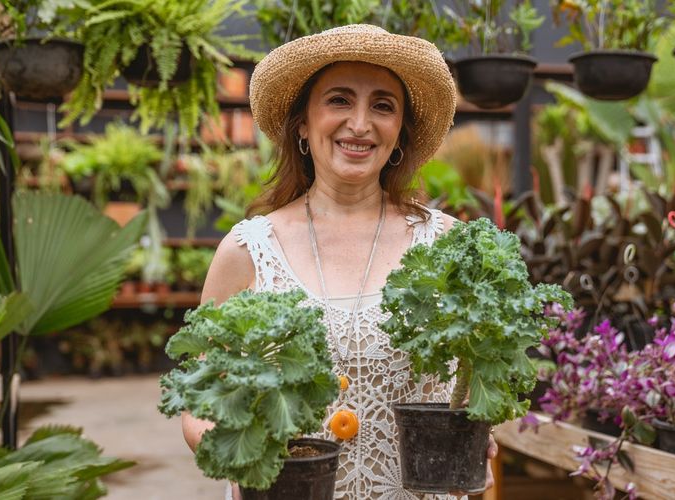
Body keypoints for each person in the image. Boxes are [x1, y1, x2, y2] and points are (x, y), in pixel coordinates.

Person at [181, 24, 497, 500]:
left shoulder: (444, 244)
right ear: (303, 124)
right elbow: (200, 400)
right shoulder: (249, 252)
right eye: (339, 100)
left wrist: (477, 436)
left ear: (400, 135)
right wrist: (239, 449)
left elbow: (473, 382)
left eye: (383, 106)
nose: (360, 124)